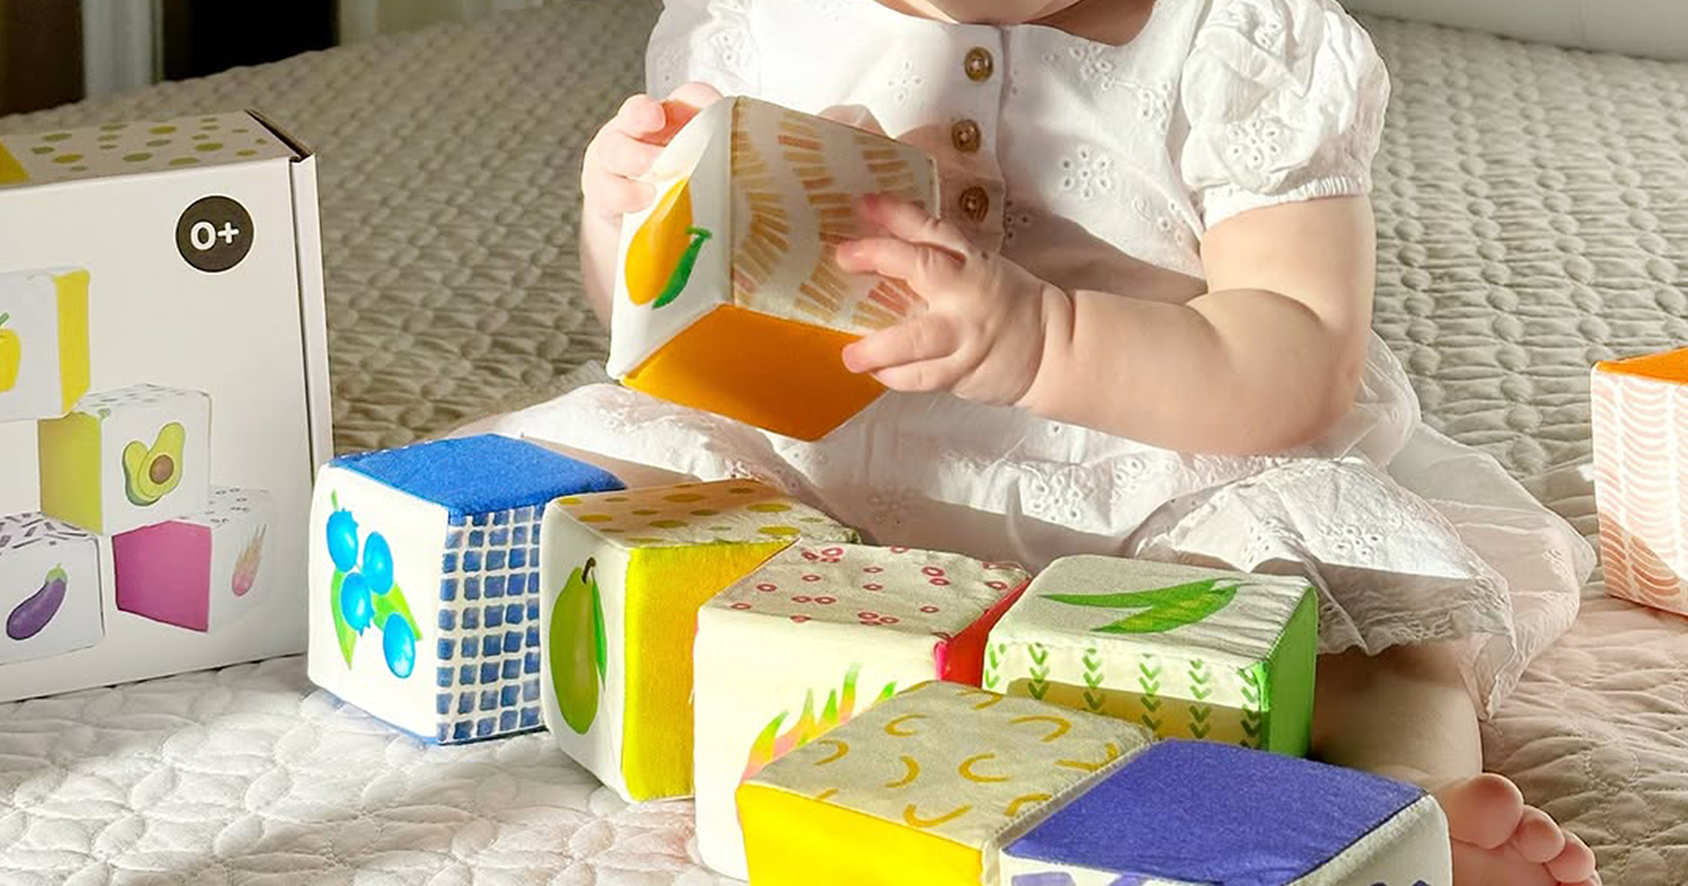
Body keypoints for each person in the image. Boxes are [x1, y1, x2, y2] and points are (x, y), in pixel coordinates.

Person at [489, 2, 1601, 881]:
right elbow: (669, 309)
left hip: (1160, 484)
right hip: (841, 459)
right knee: (623, 465)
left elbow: (1299, 355)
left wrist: (1042, 340)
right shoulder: (760, 21)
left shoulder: (1234, 39)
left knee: (1372, 615)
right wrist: (621, 217)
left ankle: (1404, 805)